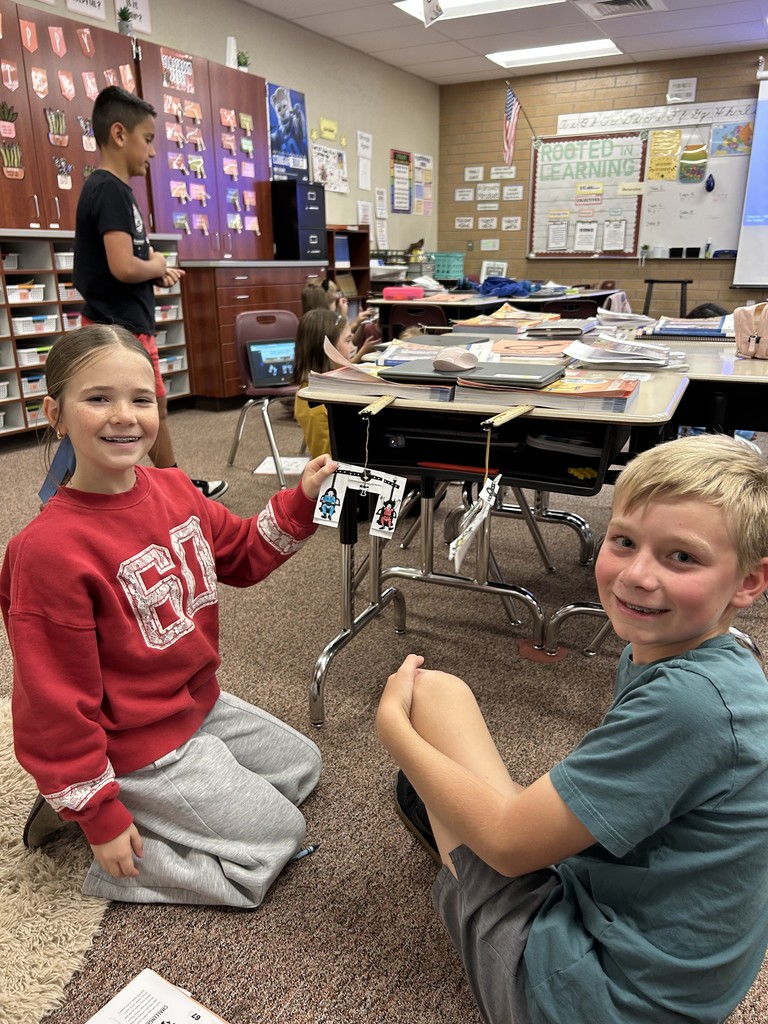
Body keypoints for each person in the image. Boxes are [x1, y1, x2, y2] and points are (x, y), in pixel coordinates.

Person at [376, 433, 768, 1024]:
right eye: (624, 541)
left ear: (748, 582)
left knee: (430, 701)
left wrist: (395, 735)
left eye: (680, 556)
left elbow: (510, 848)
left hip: (597, 1000)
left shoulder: (689, 704)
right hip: (660, 960)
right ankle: (452, 813)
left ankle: (452, 827)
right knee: (457, 783)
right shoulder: (701, 658)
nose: (637, 575)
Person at [1, 325, 338, 908]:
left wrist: (302, 498)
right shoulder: (47, 553)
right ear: (55, 413)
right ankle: (92, 821)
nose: (124, 416)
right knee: (278, 838)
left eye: (141, 399)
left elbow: (241, 554)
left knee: (302, 769)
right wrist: (99, 818)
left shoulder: (174, 487)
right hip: (135, 740)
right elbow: (51, 705)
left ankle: (122, 800)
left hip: (197, 703)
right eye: (98, 398)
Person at [73, 85, 227, 502]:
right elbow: (123, 266)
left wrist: (153, 271)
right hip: (118, 328)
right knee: (141, 410)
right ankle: (180, 491)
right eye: (148, 139)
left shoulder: (113, 190)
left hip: (122, 321)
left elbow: (122, 262)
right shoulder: (110, 190)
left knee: (145, 409)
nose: (153, 152)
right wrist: (154, 266)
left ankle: (174, 486)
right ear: (119, 135)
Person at [293, 308, 354, 459]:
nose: (353, 347)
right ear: (327, 350)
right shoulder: (318, 404)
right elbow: (328, 459)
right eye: (348, 341)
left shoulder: (330, 386)